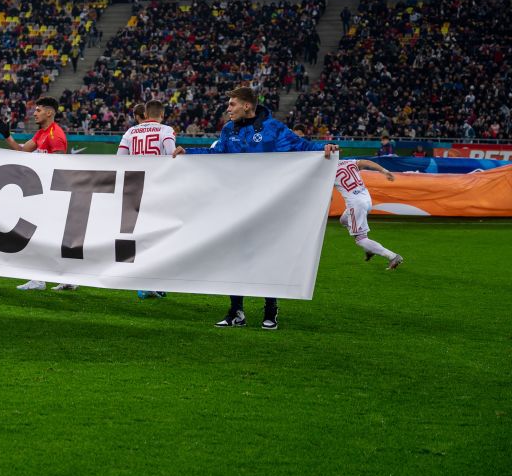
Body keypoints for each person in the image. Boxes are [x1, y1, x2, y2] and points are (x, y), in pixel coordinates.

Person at [174, 86, 339, 330]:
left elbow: (301, 146)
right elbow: (217, 153)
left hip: (266, 207)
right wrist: (188, 153)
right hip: (236, 205)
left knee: (267, 257)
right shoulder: (229, 129)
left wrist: (326, 148)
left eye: (232, 104)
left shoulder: (273, 128)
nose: (228, 109)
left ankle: (270, 311)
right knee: (234, 258)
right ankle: (236, 312)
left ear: (247, 106)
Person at [0, 96, 69, 291]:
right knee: (51, 237)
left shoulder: (55, 135)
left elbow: (60, 167)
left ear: (49, 112)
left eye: (39, 110)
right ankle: (69, 278)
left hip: (52, 192)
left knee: (40, 235)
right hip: (44, 192)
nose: (34, 113)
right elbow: (21, 151)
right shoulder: (41, 134)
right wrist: (7, 135)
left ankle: (39, 279)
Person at [118, 99, 175, 298]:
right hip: (158, 188)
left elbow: (119, 158)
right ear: (162, 114)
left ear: (146, 113)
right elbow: (171, 155)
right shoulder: (166, 130)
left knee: (139, 235)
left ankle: (142, 280)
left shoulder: (130, 132)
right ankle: (155, 282)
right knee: (159, 236)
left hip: (135, 188)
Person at [334, 158, 404, 270]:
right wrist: (385, 171)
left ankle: (393, 256)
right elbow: (367, 163)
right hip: (366, 199)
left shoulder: (329, 171)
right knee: (343, 220)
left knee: (360, 240)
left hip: (356, 204)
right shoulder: (347, 162)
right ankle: (369, 249)